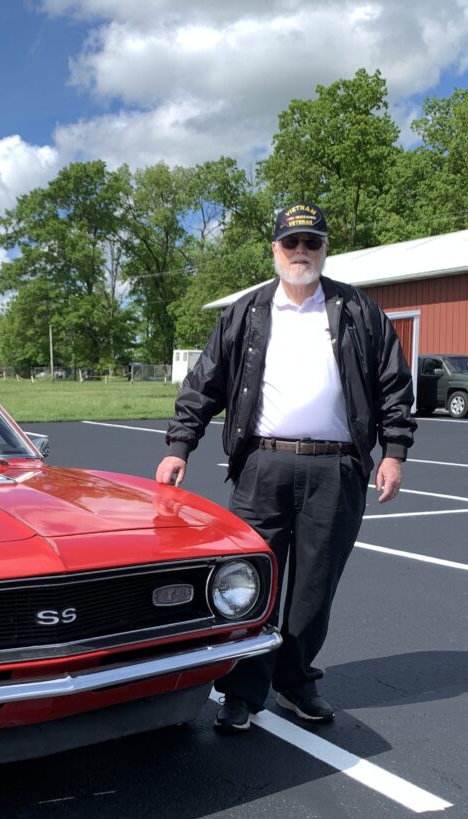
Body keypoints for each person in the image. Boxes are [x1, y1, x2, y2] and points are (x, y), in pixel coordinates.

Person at [155, 202, 416, 732]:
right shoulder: (248, 311)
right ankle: (243, 692)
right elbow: (205, 383)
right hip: (262, 467)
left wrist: (393, 452)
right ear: (274, 249)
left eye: (312, 242)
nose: (301, 252)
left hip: (337, 469)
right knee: (251, 583)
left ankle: (296, 684)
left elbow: (393, 386)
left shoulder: (359, 311)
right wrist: (179, 445)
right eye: (291, 243)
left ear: (324, 248)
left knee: (315, 586)